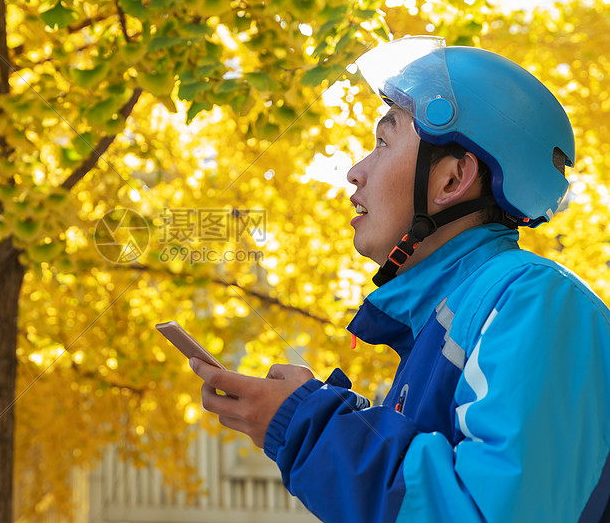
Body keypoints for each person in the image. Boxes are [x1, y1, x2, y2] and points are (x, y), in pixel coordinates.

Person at [190, 36, 610, 522]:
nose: (355, 172)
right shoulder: (455, 320)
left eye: (382, 142)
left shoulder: (533, 300)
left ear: (452, 180)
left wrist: (308, 426)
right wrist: (332, 417)